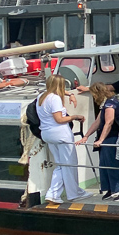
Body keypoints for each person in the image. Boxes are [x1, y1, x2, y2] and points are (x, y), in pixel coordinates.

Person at [37, 74, 88, 203]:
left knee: (61, 165)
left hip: (47, 134)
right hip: (60, 134)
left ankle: (56, 193)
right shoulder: (55, 99)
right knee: (69, 164)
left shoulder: (41, 97)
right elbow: (59, 119)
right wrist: (75, 116)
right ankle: (70, 193)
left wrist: (69, 94)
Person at [76, 82, 119, 199]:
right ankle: (110, 188)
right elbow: (97, 122)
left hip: (113, 137)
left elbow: (109, 122)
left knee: (112, 164)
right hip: (107, 138)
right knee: (104, 164)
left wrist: (101, 139)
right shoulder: (105, 105)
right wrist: (86, 136)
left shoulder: (110, 104)